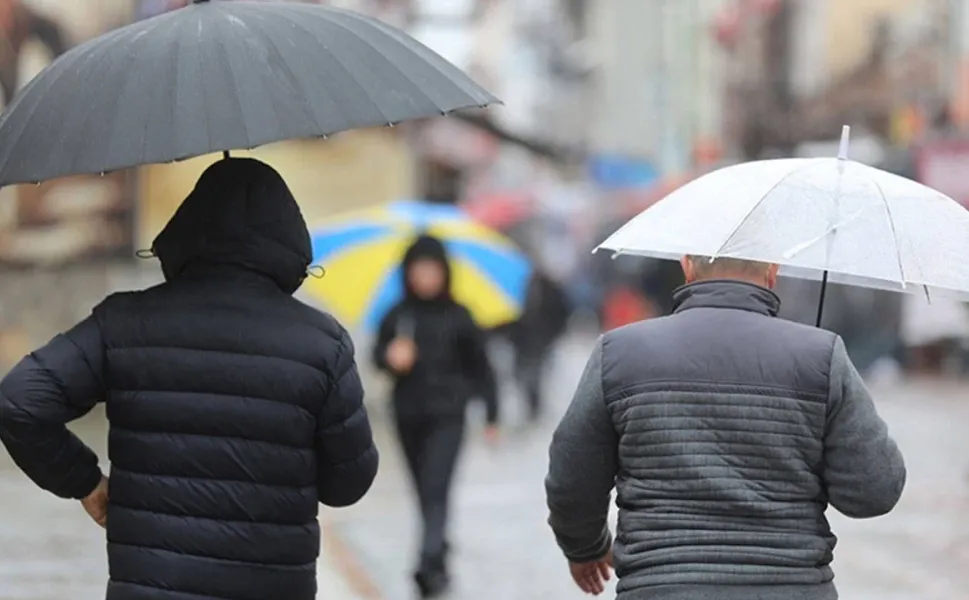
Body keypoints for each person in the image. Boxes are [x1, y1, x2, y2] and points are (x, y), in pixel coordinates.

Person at [0, 158, 379, 600]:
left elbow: (20, 401)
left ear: (185, 230)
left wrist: (85, 482)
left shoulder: (124, 323)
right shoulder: (322, 344)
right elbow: (348, 484)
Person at [545, 255, 906, 599]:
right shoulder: (820, 355)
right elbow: (874, 491)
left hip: (660, 586)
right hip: (794, 587)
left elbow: (572, 475)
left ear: (687, 267)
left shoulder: (619, 351)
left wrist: (586, 548)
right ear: (773, 271)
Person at [373, 233, 499, 598]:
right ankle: (438, 552)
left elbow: (482, 369)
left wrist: (492, 415)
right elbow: (376, 356)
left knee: (436, 488)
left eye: (432, 269)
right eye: (419, 269)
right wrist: (391, 357)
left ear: (444, 272)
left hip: (448, 417)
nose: (425, 276)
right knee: (422, 491)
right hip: (407, 416)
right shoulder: (398, 315)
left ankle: (427, 563)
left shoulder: (460, 315)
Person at [509, 267, 570, 421]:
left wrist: (553, 334)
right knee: (521, 375)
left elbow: (561, 313)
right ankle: (531, 407)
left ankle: (535, 408)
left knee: (535, 375)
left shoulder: (551, 290)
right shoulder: (514, 287)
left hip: (541, 339)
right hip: (522, 340)